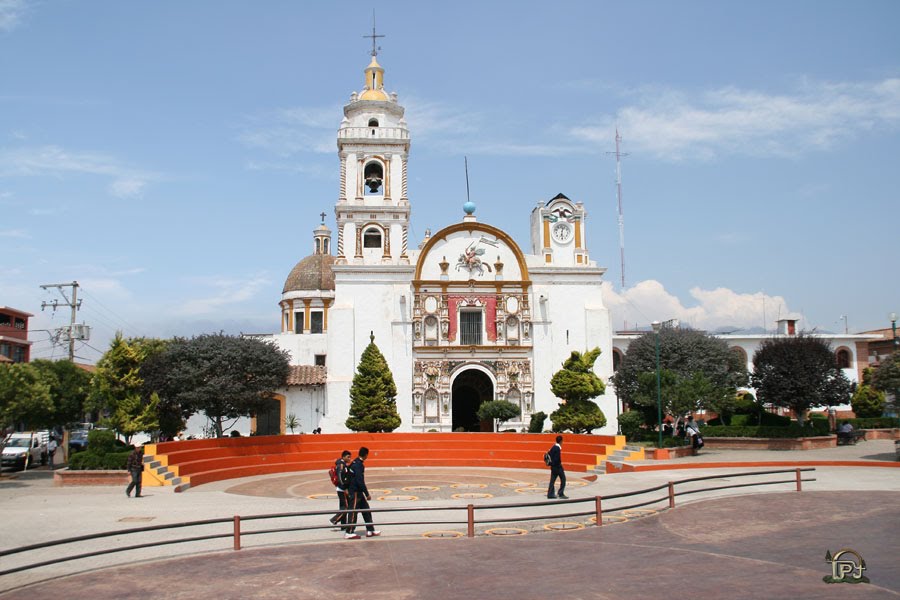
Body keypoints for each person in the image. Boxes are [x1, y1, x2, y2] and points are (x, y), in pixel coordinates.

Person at [345, 446, 380, 539]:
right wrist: (367, 493)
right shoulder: (358, 465)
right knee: (353, 511)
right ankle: (349, 532)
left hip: (358, 491)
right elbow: (360, 481)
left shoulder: (355, 462)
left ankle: (370, 530)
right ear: (366, 455)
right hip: (355, 491)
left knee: (366, 510)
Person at [330, 450, 353, 531]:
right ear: (343, 457)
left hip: (341, 489)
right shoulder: (341, 465)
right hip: (342, 489)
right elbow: (340, 477)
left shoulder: (343, 464)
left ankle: (343, 525)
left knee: (343, 507)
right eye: (348, 457)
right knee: (346, 507)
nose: (349, 458)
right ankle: (335, 519)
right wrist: (344, 488)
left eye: (350, 457)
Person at [546, 435, 567, 499]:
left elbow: (549, 454)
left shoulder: (553, 447)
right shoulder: (557, 448)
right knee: (563, 479)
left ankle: (550, 494)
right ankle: (561, 493)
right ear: (561, 441)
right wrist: (559, 465)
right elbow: (557, 459)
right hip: (557, 467)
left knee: (552, 481)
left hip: (553, 466)